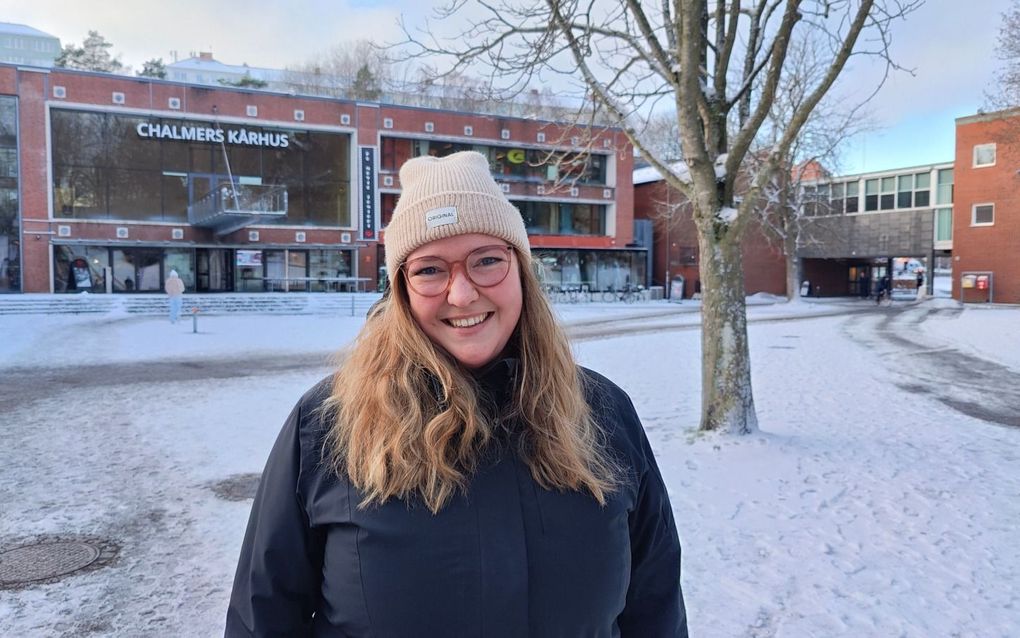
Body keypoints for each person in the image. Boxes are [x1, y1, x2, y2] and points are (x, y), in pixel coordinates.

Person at [225, 151, 688, 637]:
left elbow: (654, 606)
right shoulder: (328, 425)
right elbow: (263, 619)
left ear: (522, 273)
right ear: (401, 289)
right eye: (429, 270)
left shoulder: (602, 413)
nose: (462, 294)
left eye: (487, 260)